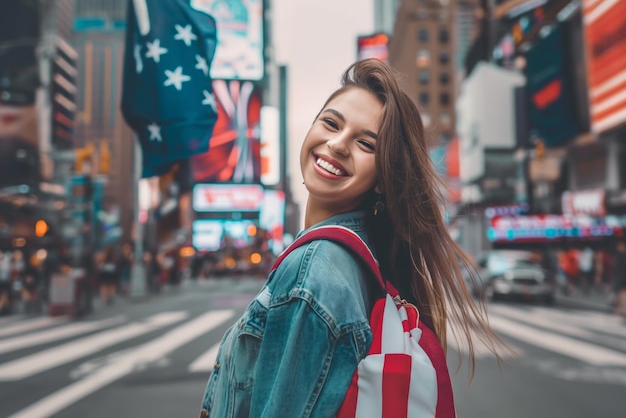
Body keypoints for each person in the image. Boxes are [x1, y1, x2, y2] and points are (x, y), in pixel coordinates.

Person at [198, 59, 506, 417]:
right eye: (331, 123)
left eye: (366, 143)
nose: (338, 144)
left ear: (381, 179)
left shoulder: (314, 270)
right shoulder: (358, 263)